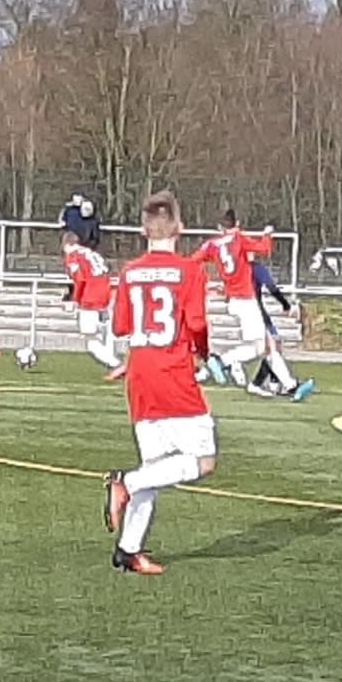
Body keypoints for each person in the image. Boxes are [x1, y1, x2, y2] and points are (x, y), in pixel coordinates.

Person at [102, 191, 216, 576]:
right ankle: (125, 483)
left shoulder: (130, 271)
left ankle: (128, 551)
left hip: (140, 377)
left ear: (143, 231)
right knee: (203, 461)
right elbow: (196, 323)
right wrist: (203, 351)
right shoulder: (191, 271)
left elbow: (121, 327)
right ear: (180, 228)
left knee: (155, 466)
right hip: (174, 375)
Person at [195, 210, 294, 393]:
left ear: (220, 227)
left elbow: (193, 261)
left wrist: (205, 281)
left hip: (233, 299)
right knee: (261, 348)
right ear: (238, 223)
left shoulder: (212, 244)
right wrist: (267, 234)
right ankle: (222, 361)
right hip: (246, 299)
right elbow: (263, 249)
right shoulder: (239, 238)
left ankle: (289, 385)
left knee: (267, 345)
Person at [245, 258, 315, 401]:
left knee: (271, 347)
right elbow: (271, 287)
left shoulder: (237, 269)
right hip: (256, 312)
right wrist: (285, 305)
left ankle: (270, 382)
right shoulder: (255, 267)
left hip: (247, 311)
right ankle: (288, 386)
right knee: (271, 347)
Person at [61, 231, 121, 372]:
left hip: (90, 297)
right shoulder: (92, 253)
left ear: (67, 244)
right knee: (107, 333)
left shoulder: (73, 256)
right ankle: (114, 363)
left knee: (90, 339)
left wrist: (75, 299)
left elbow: (80, 279)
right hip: (107, 293)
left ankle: (116, 364)